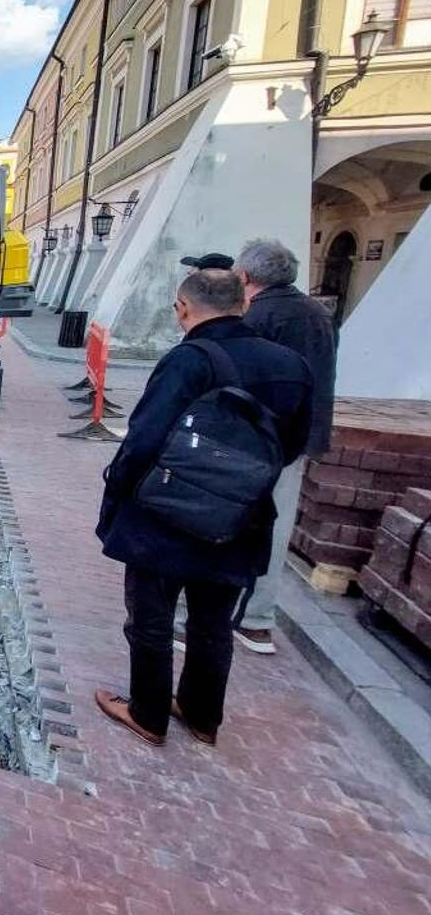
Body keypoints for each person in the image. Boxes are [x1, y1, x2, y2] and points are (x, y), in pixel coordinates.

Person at [95, 269, 312, 747]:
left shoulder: (189, 360)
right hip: (241, 519)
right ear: (245, 305)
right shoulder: (291, 365)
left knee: (151, 618)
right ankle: (201, 715)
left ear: (183, 308)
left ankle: (148, 714)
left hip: (167, 516)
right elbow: (294, 444)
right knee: (212, 623)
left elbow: (145, 438)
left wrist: (117, 497)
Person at [228, 238, 337, 654]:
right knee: (277, 529)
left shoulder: (258, 315)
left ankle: (209, 615)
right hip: (299, 438)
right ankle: (257, 622)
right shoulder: (316, 313)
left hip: (258, 439)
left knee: (227, 521)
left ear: (245, 276)